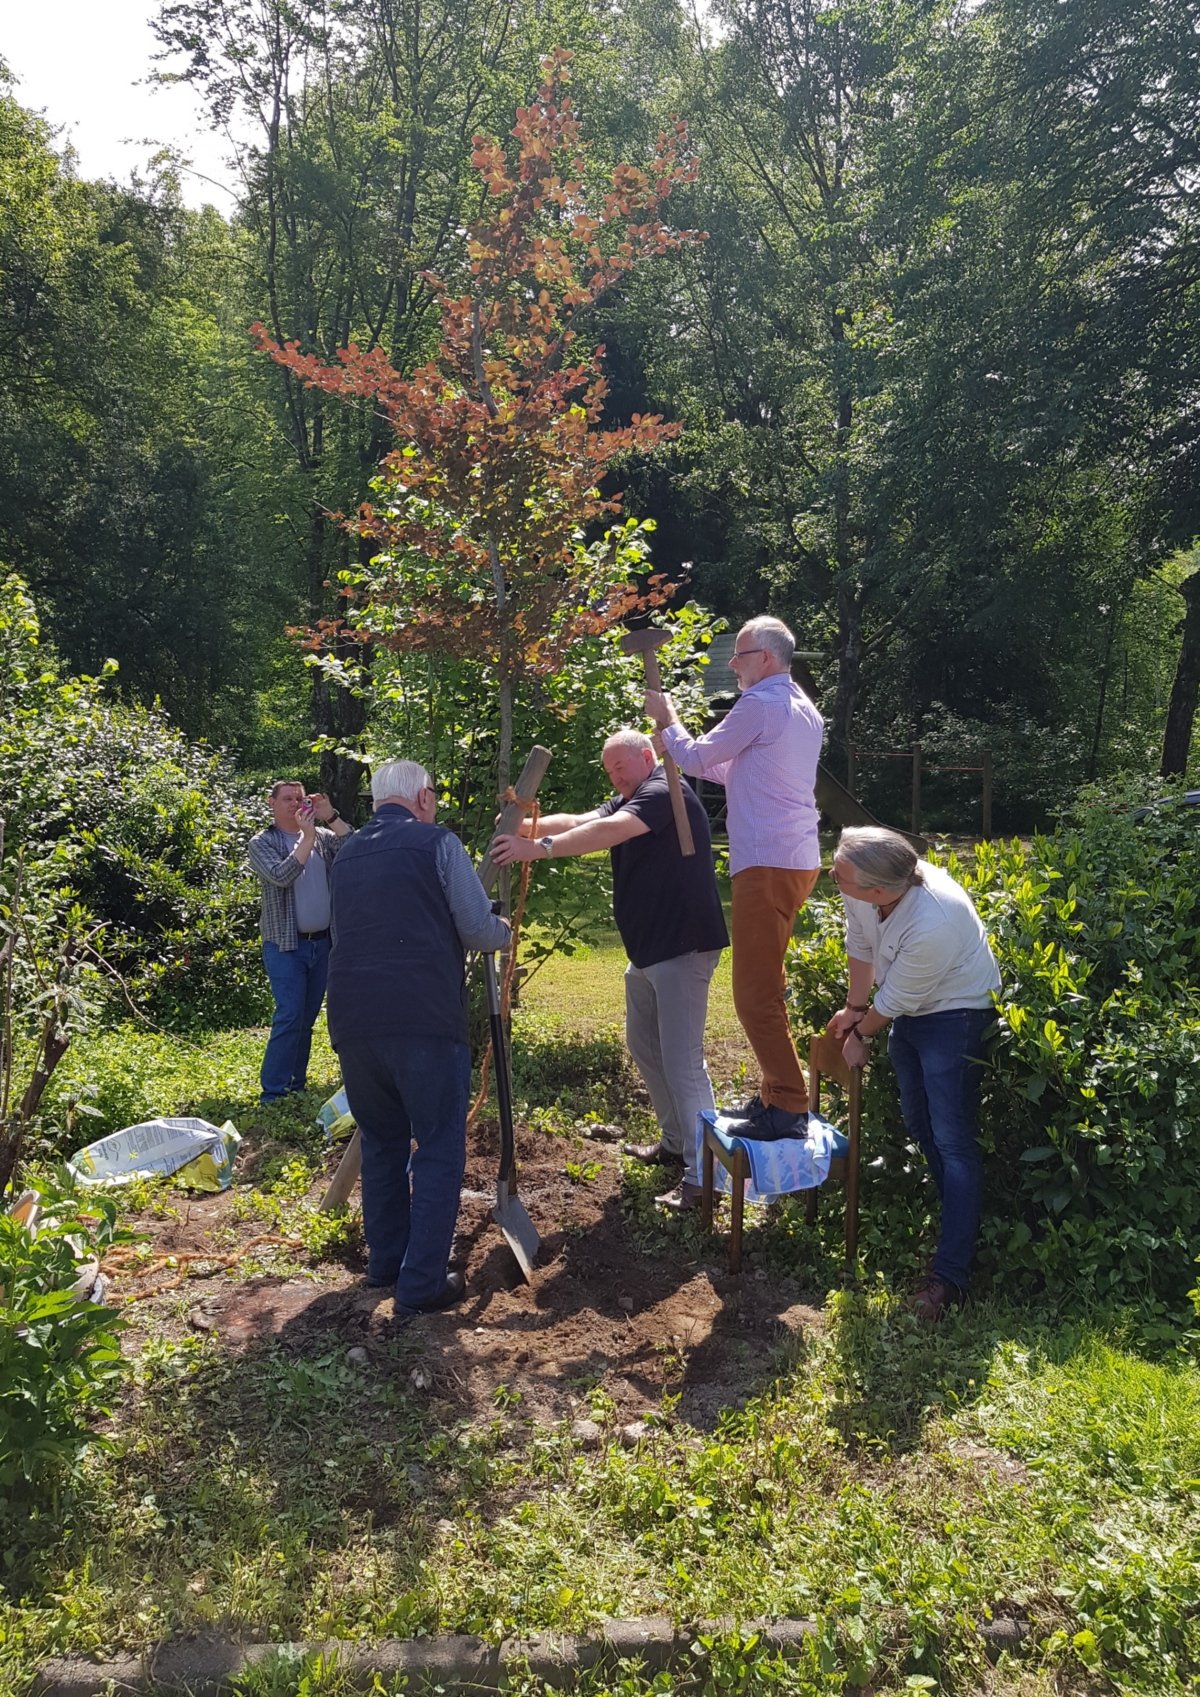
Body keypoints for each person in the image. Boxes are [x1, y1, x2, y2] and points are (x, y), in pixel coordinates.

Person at [491, 729, 728, 1211]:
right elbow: (582, 818)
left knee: (683, 1061)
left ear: (647, 757)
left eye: (621, 768)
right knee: (644, 1043)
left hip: (683, 946)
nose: (615, 777)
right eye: (610, 771)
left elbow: (609, 831)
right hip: (649, 950)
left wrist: (540, 849)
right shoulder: (634, 793)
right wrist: (525, 825)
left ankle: (708, 1176)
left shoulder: (666, 791)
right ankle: (677, 1143)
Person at [326, 758, 510, 1319]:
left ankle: (385, 1265)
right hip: (424, 1018)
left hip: (354, 1021)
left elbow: (346, 932)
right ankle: (421, 1283)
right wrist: (501, 927)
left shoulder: (346, 852)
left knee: (382, 1141)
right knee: (436, 1145)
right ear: (424, 798)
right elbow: (477, 930)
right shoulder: (437, 843)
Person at [645, 616, 822, 1138]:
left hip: (767, 863)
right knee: (766, 986)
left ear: (765, 659)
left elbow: (697, 755)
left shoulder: (761, 704)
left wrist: (668, 719)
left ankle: (788, 1106)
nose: (732, 664)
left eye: (739, 655)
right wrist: (677, 747)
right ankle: (776, 1094)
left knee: (752, 995)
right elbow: (727, 768)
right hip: (791, 859)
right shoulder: (801, 709)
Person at [826, 826, 1001, 1321]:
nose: (831, 876)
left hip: (958, 1015)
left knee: (952, 1140)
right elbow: (860, 948)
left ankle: (951, 1276)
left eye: (840, 874)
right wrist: (852, 1008)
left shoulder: (935, 919)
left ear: (879, 889)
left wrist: (861, 1035)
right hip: (909, 1013)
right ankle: (960, 1224)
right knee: (920, 1125)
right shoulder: (865, 891)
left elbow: (898, 999)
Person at [248, 779, 354, 1104]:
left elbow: (357, 847)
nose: (295, 804)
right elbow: (281, 876)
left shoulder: (323, 838)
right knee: (289, 1014)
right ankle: (273, 1092)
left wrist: (330, 815)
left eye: (300, 798)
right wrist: (306, 837)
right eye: (288, 799)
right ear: (271, 803)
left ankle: (296, 1084)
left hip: (322, 944)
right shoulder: (263, 842)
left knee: (306, 1018)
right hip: (285, 945)